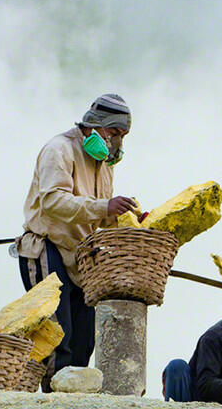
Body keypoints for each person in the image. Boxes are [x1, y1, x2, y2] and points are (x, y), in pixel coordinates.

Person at [15, 93, 140, 378]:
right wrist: (103, 206)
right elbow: (53, 201)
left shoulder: (104, 165)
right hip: (47, 250)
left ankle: (75, 405)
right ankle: (53, 404)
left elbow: (101, 214)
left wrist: (126, 218)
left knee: (85, 340)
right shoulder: (59, 150)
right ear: (94, 126)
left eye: (123, 135)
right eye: (114, 132)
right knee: (58, 337)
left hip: (82, 258)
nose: (117, 141)